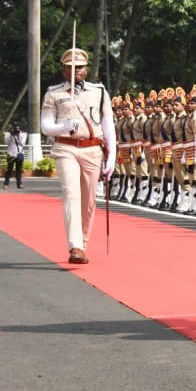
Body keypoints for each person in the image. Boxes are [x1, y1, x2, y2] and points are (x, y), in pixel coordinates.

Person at [40, 48, 116, 264]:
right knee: (71, 194)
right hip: (66, 148)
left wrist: (112, 156)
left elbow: (108, 124)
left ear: (86, 68)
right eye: (71, 67)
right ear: (63, 69)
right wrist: (61, 127)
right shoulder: (54, 93)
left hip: (92, 149)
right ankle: (75, 246)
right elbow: (45, 125)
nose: (76, 71)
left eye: (80, 67)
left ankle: (83, 241)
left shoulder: (99, 91)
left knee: (89, 200)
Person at [5, 121, 25, 189]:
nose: (17, 129)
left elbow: (22, 144)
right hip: (11, 154)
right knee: (9, 170)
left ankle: (19, 184)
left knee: (19, 170)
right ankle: (6, 184)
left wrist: (18, 136)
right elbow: (6, 142)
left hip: (19, 154)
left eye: (18, 128)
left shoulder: (22, 134)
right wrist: (11, 135)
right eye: (15, 127)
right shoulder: (8, 134)